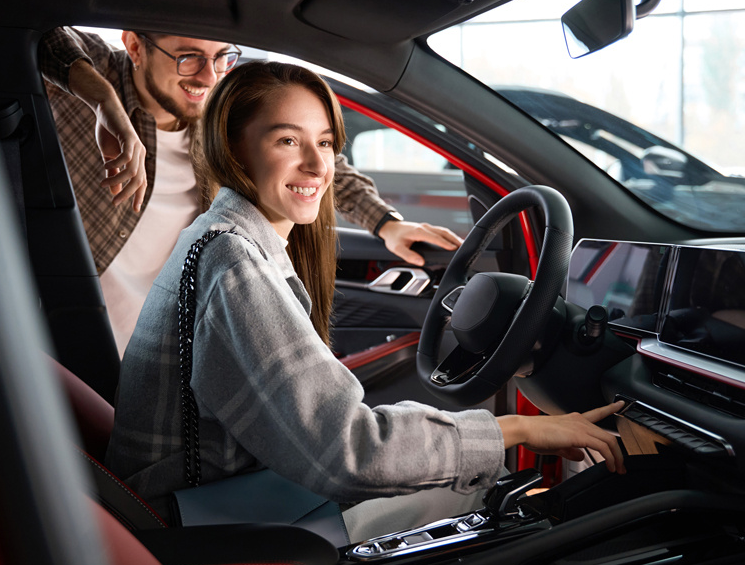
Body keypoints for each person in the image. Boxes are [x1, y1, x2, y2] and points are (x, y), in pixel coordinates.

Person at [106, 61, 625, 542]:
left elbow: (325, 435)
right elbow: (347, 452)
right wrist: (519, 428)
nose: (316, 165)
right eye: (288, 140)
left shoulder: (221, 238)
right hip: (192, 525)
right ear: (235, 149)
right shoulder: (235, 262)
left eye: (326, 143)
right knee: (479, 495)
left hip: (209, 500)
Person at [38, 27, 463, 355]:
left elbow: (315, 160)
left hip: (156, 345)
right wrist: (104, 103)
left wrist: (387, 224)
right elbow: (38, 31)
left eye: (222, 57)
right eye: (188, 57)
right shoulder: (90, 75)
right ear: (134, 46)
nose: (208, 76)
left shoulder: (219, 121)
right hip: (61, 335)